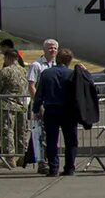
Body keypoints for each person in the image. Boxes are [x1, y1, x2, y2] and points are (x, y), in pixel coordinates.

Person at [31, 48, 95, 176]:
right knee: (71, 140)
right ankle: (69, 167)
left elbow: (39, 94)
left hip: (52, 110)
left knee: (51, 140)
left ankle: (53, 168)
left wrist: (36, 108)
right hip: (69, 111)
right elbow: (89, 85)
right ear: (70, 61)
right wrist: (85, 72)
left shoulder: (46, 74)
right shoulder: (72, 74)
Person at [0, 46, 29, 166]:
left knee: (7, 132)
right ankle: (23, 156)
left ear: (7, 58)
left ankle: (9, 159)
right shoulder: (23, 70)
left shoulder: (5, 71)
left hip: (7, 105)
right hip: (21, 105)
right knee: (21, 132)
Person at [26, 38, 59, 172]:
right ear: (44, 50)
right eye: (50, 48)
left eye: (55, 48)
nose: (52, 50)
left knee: (52, 134)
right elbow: (31, 86)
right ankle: (41, 161)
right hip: (42, 105)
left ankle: (49, 159)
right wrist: (38, 104)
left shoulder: (57, 65)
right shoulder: (37, 65)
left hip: (54, 105)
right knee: (41, 134)